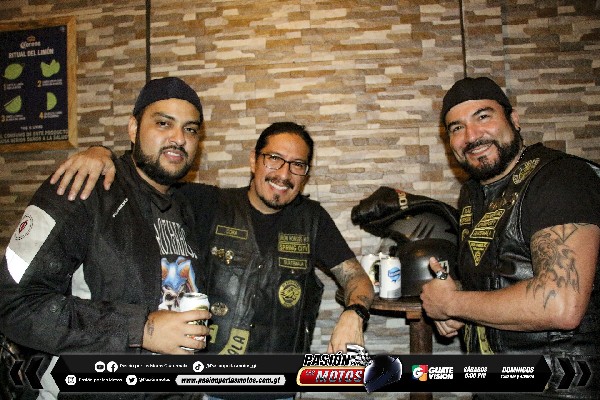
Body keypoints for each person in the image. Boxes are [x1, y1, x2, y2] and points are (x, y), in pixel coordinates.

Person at [50, 121, 375, 399]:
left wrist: (354, 313)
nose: (284, 173)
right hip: (208, 386)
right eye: (274, 159)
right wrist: (101, 153)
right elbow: (145, 178)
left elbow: (357, 280)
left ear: (305, 174)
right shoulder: (208, 203)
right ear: (254, 160)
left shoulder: (313, 220)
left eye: (297, 165)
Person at [0, 77, 211, 399]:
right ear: (133, 128)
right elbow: (14, 302)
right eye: (163, 123)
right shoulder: (82, 188)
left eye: (190, 129)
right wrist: (140, 328)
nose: (178, 138)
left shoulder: (190, 207)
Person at [419, 77, 600, 398]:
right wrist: (456, 303)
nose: (472, 136)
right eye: (457, 128)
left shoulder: (560, 178)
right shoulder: (473, 194)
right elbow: (498, 279)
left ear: (514, 120)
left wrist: (452, 303)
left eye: (483, 116)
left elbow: (560, 304)